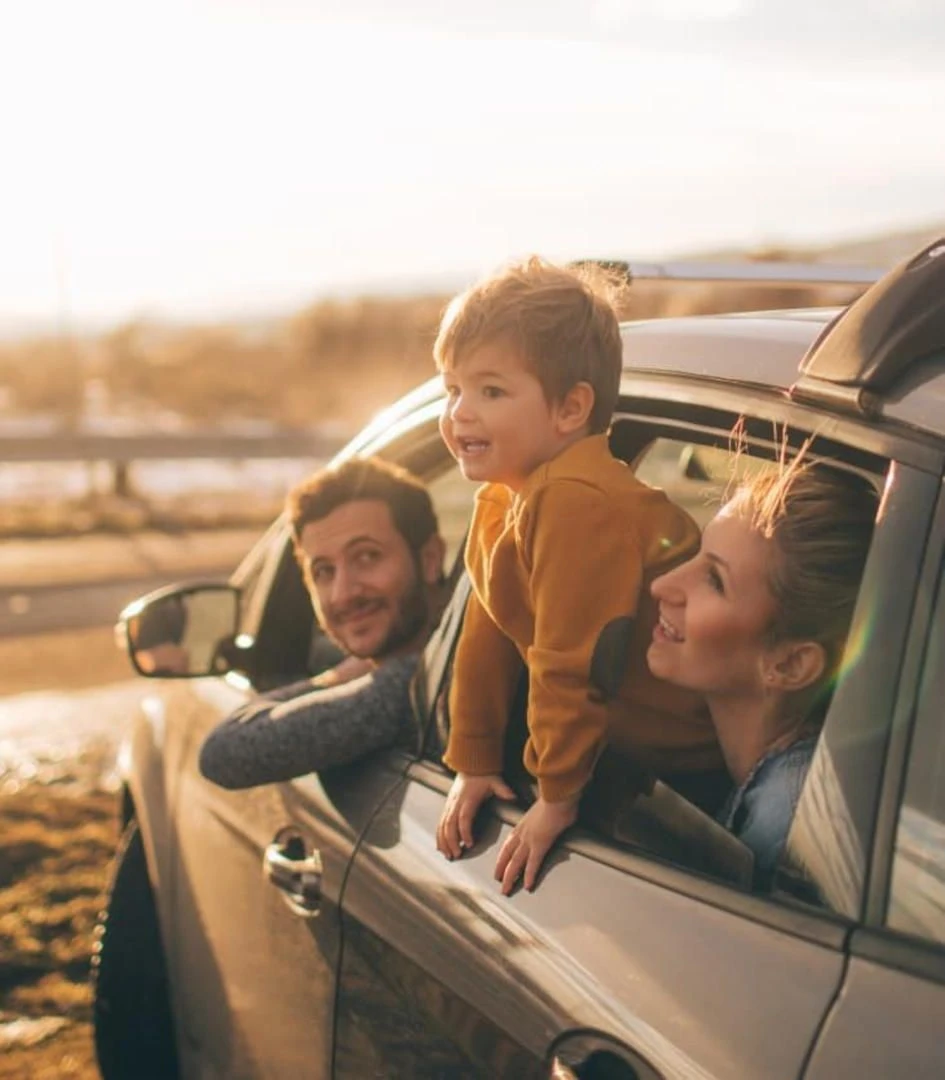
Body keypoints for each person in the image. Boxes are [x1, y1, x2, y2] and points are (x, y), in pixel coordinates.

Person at [433, 256, 721, 894]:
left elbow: (572, 659)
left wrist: (556, 796)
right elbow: (488, 636)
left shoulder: (575, 500)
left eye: (491, 391)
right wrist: (474, 759)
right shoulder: (507, 498)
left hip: (690, 762)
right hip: (631, 751)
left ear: (570, 409)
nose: (460, 414)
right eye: (452, 389)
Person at [647, 459, 878, 881]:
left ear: (789, 664)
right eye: (698, 553)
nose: (662, 585)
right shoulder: (788, 782)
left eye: (714, 580)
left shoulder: (785, 828)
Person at [199, 456, 449, 789]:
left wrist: (336, 679)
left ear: (430, 559)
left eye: (367, 556)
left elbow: (223, 754)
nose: (343, 593)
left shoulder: (419, 683)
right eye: (324, 572)